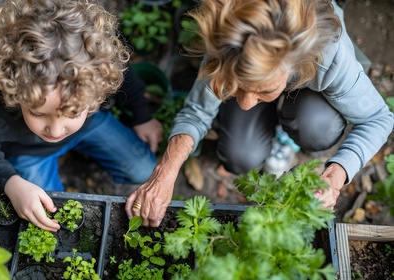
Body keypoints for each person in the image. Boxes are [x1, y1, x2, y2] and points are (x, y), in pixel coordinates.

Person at [126, 0, 394, 227]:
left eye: (261, 91)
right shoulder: (231, 45)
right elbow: (197, 111)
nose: (243, 103)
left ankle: (288, 136)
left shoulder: (329, 57)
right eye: (236, 88)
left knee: (317, 128)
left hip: (310, 75)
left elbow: (379, 119)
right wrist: (165, 170)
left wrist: (337, 175)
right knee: (240, 155)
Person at [0, 0, 163, 231]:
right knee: (48, 211)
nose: (56, 131)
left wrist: (142, 116)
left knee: (143, 169)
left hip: (91, 126)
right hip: (28, 153)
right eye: (38, 113)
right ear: (15, 94)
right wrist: (11, 183)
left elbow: (124, 77)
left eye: (72, 112)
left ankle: (78, 140)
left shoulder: (94, 71)